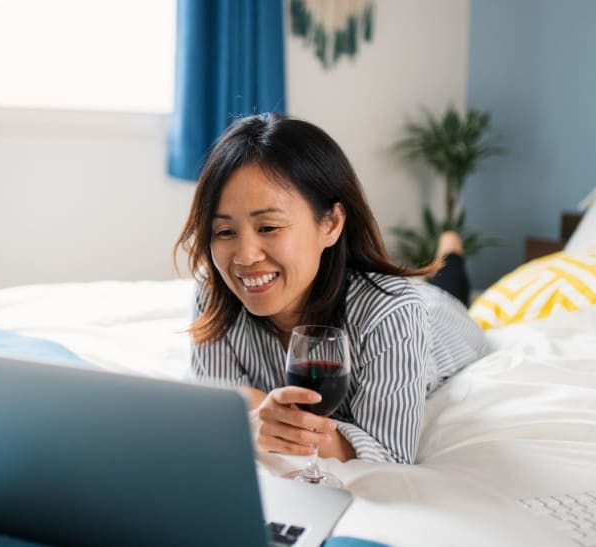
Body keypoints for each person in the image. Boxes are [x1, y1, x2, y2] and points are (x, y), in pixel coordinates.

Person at [174, 113, 487, 464]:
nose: (245, 257)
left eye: (269, 227)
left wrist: (271, 420)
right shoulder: (214, 287)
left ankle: (451, 250)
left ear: (332, 223)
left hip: (441, 319)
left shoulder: (395, 308)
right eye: (225, 232)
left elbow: (390, 455)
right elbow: (219, 399)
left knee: (450, 285)